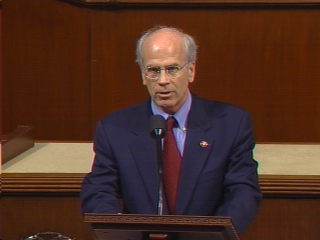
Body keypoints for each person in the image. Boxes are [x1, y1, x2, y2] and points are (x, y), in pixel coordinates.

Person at [80, 26, 262, 235]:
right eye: (154, 71)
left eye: (172, 69)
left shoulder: (230, 124)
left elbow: (243, 192)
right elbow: (99, 190)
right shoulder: (115, 129)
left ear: (191, 70)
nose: (163, 81)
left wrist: (214, 236)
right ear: (143, 75)